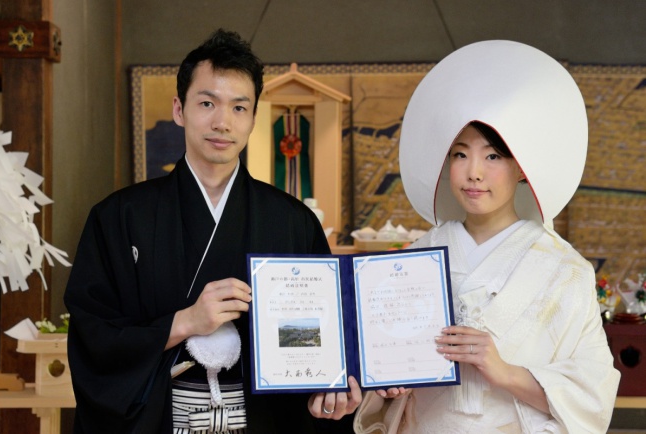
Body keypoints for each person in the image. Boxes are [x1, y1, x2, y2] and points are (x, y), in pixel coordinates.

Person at [64, 29, 360, 434]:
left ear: (254, 117)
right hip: (161, 419)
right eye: (207, 103)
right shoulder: (119, 216)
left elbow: (320, 335)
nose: (222, 122)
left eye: (239, 108)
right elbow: (92, 336)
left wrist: (331, 388)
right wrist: (185, 321)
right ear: (180, 109)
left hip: (261, 421)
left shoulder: (292, 221)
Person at [353, 40, 620, 433]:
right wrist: (388, 387)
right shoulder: (411, 261)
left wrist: (503, 371)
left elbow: (592, 395)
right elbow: (379, 377)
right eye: (460, 154)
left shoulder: (566, 271)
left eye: (493, 156)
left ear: (522, 167)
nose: (474, 172)